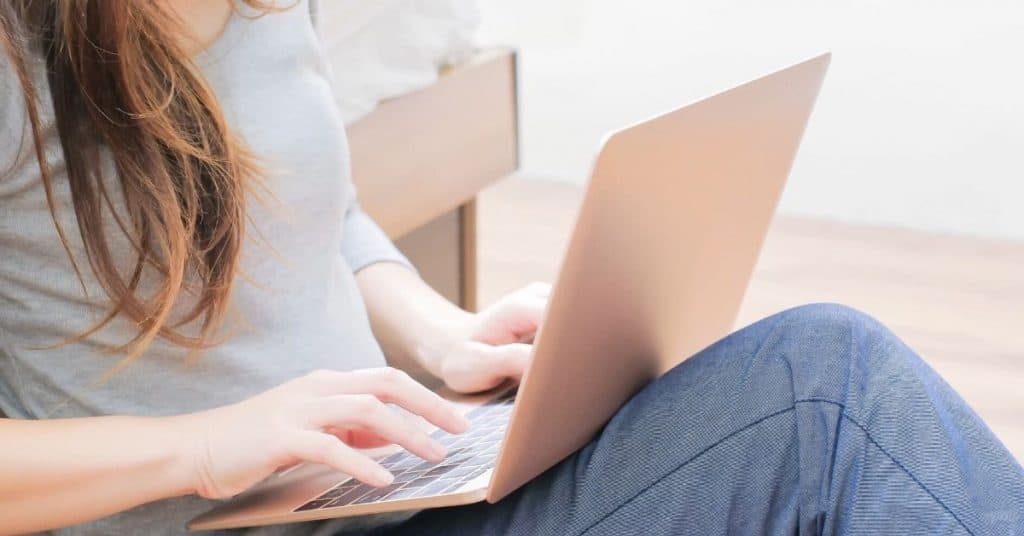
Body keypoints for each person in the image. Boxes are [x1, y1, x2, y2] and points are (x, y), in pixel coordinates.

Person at [0, 2, 1020, 535]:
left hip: (392, 491)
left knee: (820, 384)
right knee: (825, 393)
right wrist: (205, 446)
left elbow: (320, 208)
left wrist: (441, 332)